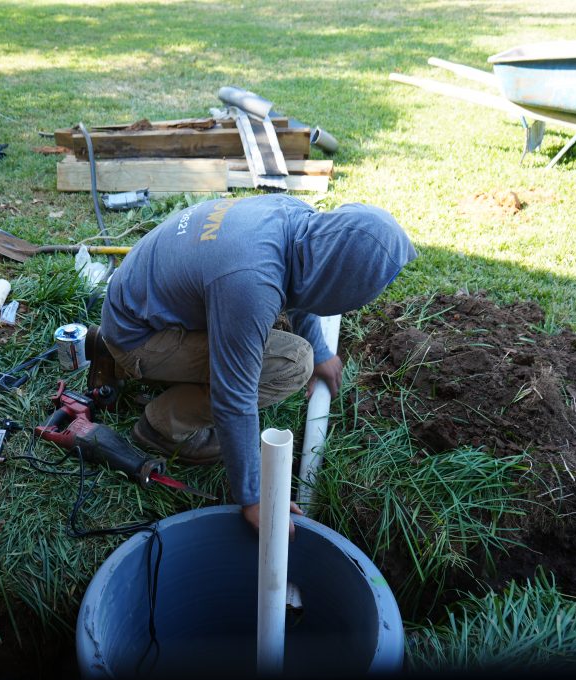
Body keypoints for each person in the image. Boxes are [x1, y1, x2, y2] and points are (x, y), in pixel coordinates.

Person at [87, 194, 417, 532]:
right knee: (291, 363)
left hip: (141, 298)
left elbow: (305, 283)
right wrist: (255, 497)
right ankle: (163, 426)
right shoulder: (250, 283)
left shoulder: (294, 217)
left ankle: (124, 356)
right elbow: (235, 395)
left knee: (285, 342)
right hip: (137, 335)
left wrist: (321, 350)